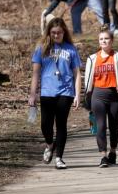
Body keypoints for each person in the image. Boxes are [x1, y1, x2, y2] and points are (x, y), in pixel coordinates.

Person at [29, 17, 82, 170]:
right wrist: (32, 94)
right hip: (47, 91)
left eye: (59, 32)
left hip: (65, 92)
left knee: (61, 124)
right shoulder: (41, 48)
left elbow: (77, 73)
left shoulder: (70, 49)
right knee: (45, 124)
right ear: (49, 33)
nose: (56, 35)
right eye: (53, 33)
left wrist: (78, 94)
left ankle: (59, 158)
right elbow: (35, 73)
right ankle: (50, 145)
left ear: (64, 32)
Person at [83, 29, 118, 167]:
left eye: (106, 38)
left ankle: (113, 151)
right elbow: (88, 80)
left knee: (114, 127)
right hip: (98, 95)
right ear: (99, 41)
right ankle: (103, 156)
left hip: (115, 96)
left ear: (112, 41)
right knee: (100, 126)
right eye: (101, 39)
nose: (104, 41)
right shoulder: (92, 58)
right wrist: (87, 97)